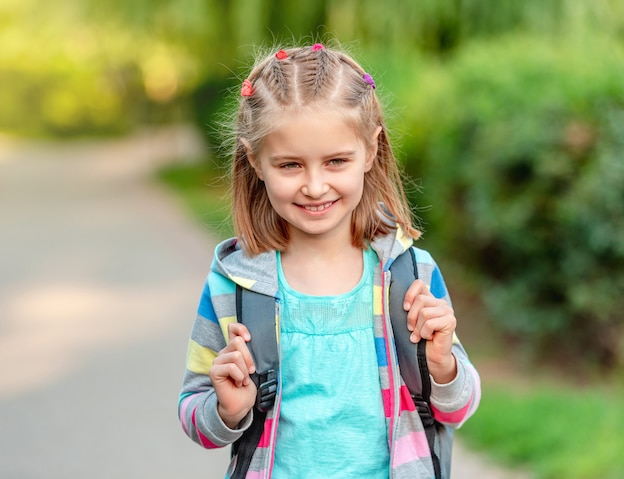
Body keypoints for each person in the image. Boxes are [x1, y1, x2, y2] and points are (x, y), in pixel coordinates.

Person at [178, 43, 480, 478]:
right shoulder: (235, 286)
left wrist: (443, 367)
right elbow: (195, 414)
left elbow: (458, 409)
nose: (315, 186)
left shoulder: (409, 275)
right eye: (290, 165)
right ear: (255, 162)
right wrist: (226, 410)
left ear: (371, 151)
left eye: (336, 161)